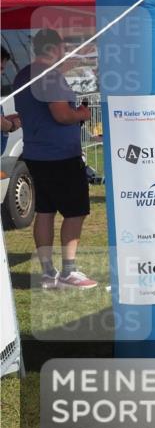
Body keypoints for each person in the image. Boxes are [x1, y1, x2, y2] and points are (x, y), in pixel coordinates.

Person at [12, 30, 97, 289]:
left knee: (45, 211)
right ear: (54, 48)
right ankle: (69, 272)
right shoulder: (50, 76)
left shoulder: (23, 74)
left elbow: (27, 112)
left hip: (36, 153)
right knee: (75, 212)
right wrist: (81, 113)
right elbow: (61, 115)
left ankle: (49, 273)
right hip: (59, 156)